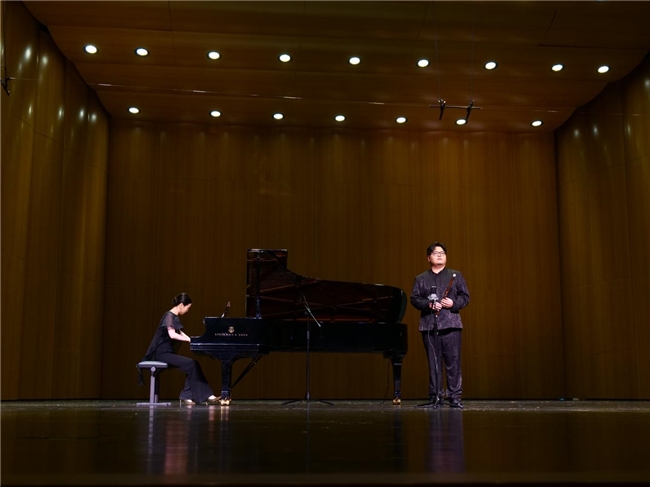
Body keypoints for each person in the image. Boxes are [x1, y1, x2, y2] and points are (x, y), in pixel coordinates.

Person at [410, 242, 470, 408]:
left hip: (451, 324)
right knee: (433, 362)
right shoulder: (421, 278)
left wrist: (453, 303)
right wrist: (428, 305)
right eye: (435, 253)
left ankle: (454, 397)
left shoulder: (455, 275)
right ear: (428, 258)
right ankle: (436, 396)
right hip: (430, 325)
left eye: (442, 252)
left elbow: (465, 297)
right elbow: (414, 299)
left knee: (453, 362)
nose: (439, 255)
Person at [142, 293, 220, 405]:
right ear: (182, 305)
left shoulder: (173, 316)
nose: (187, 311)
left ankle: (187, 396)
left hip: (166, 353)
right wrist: (188, 340)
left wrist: (191, 339)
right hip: (161, 354)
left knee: (192, 365)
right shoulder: (169, 316)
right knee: (192, 364)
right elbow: (172, 334)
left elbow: (179, 332)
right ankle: (201, 396)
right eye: (188, 308)